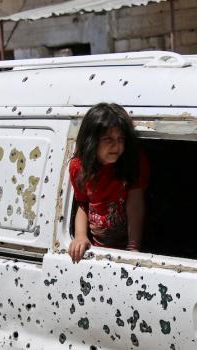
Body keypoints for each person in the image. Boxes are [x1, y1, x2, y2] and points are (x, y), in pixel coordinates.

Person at [68, 103, 149, 263]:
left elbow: (135, 204)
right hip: (97, 248)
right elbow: (82, 203)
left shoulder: (134, 161)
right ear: (91, 141)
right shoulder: (79, 167)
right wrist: (80, 236)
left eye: (121, 139)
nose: (116, 146)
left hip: (128, 244)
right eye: (108, 139)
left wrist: (133, 248)